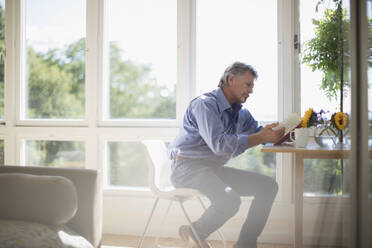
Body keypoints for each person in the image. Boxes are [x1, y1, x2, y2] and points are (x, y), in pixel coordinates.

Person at [167, 62, 285, 248]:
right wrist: (260, 136)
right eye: (248, 84)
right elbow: (219, 145)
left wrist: (282, 135)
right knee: (229, 200)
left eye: (252, 86)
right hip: (187, 168)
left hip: (211, 170)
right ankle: (195, 232)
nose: (251, 91)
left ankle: (245, 244)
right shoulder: (205, 105)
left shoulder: (241, 113)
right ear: (231, 79)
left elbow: (261, 135)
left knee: (268, 186)